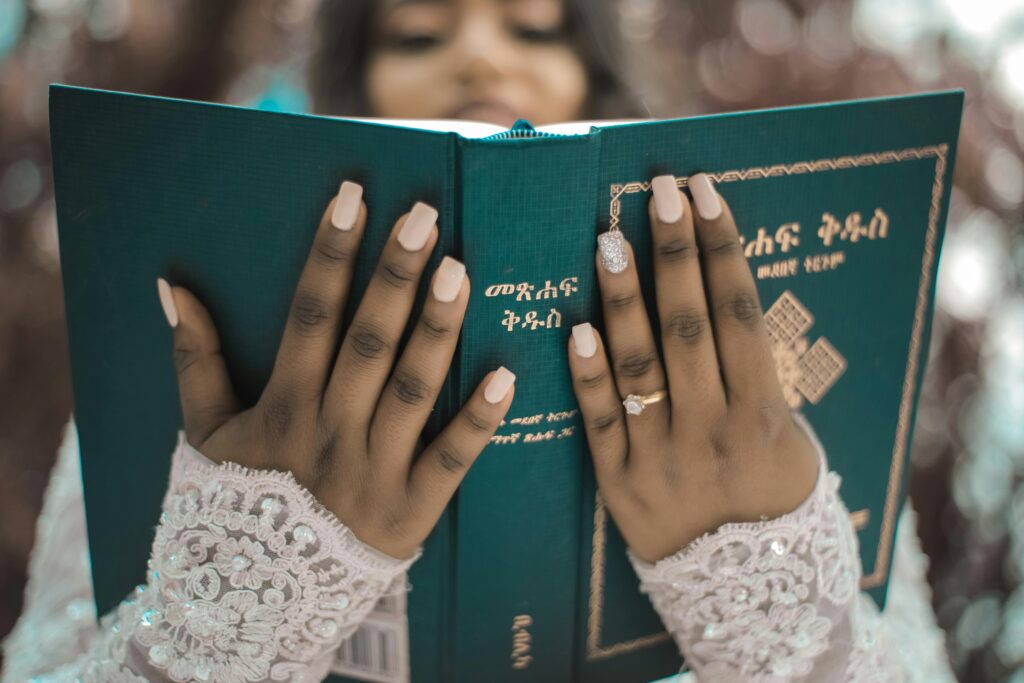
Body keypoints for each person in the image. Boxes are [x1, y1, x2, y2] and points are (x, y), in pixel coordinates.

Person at [1, 0, 956, 681]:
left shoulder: (747, 387)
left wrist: (763, 589)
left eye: (536, 27)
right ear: (353, 83)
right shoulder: (221, 361)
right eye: (417, 32)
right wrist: (251, 594)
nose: (481, 58)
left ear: (594, 73)